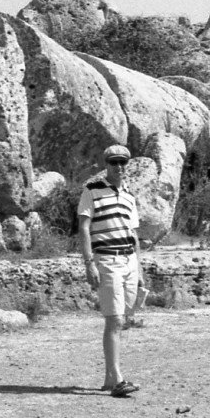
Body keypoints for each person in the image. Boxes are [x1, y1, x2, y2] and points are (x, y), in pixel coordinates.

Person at [78, 144, 146, 397]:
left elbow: (133, 233)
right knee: (114, 319)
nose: (119, 167)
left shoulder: (129, 195)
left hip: (128, 260)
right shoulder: (92, 190)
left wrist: (139, 269)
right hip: (107, 260)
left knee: (123, 317)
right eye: (114, 162)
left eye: (123, 163)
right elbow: (84, 227)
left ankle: (109, 378)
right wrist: (89, 263)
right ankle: (117, 380)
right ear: (106, 164)